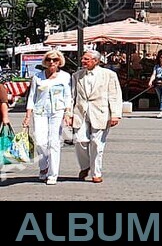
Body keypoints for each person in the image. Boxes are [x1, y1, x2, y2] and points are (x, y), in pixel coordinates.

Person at [70, 48, 123, 184]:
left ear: (96, 61)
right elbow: (72, 96)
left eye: (86, 59)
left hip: (100, 112)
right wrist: (68, 113)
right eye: (83, 59)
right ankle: (85, 165)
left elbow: (114, 95)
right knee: (79, 140)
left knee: (97, 143)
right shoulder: (77, 75)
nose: (83, 61)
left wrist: (116, 114)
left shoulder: (108, 75)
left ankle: (96, 172)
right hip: (80, 112)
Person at [23, 49, 72, 185]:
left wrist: (68, 112)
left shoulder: (65, 76)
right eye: (49, 59)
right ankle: (44, 165)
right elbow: (32, 96)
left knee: (54, 142)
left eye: (55, 60)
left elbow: (68, 95)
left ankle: (52, 173)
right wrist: (28, 115)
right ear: (45, 61)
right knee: (40, 141)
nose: (52, 62)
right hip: (40, 111)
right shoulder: (38, 77)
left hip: (57, 111)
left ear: (59, 62)